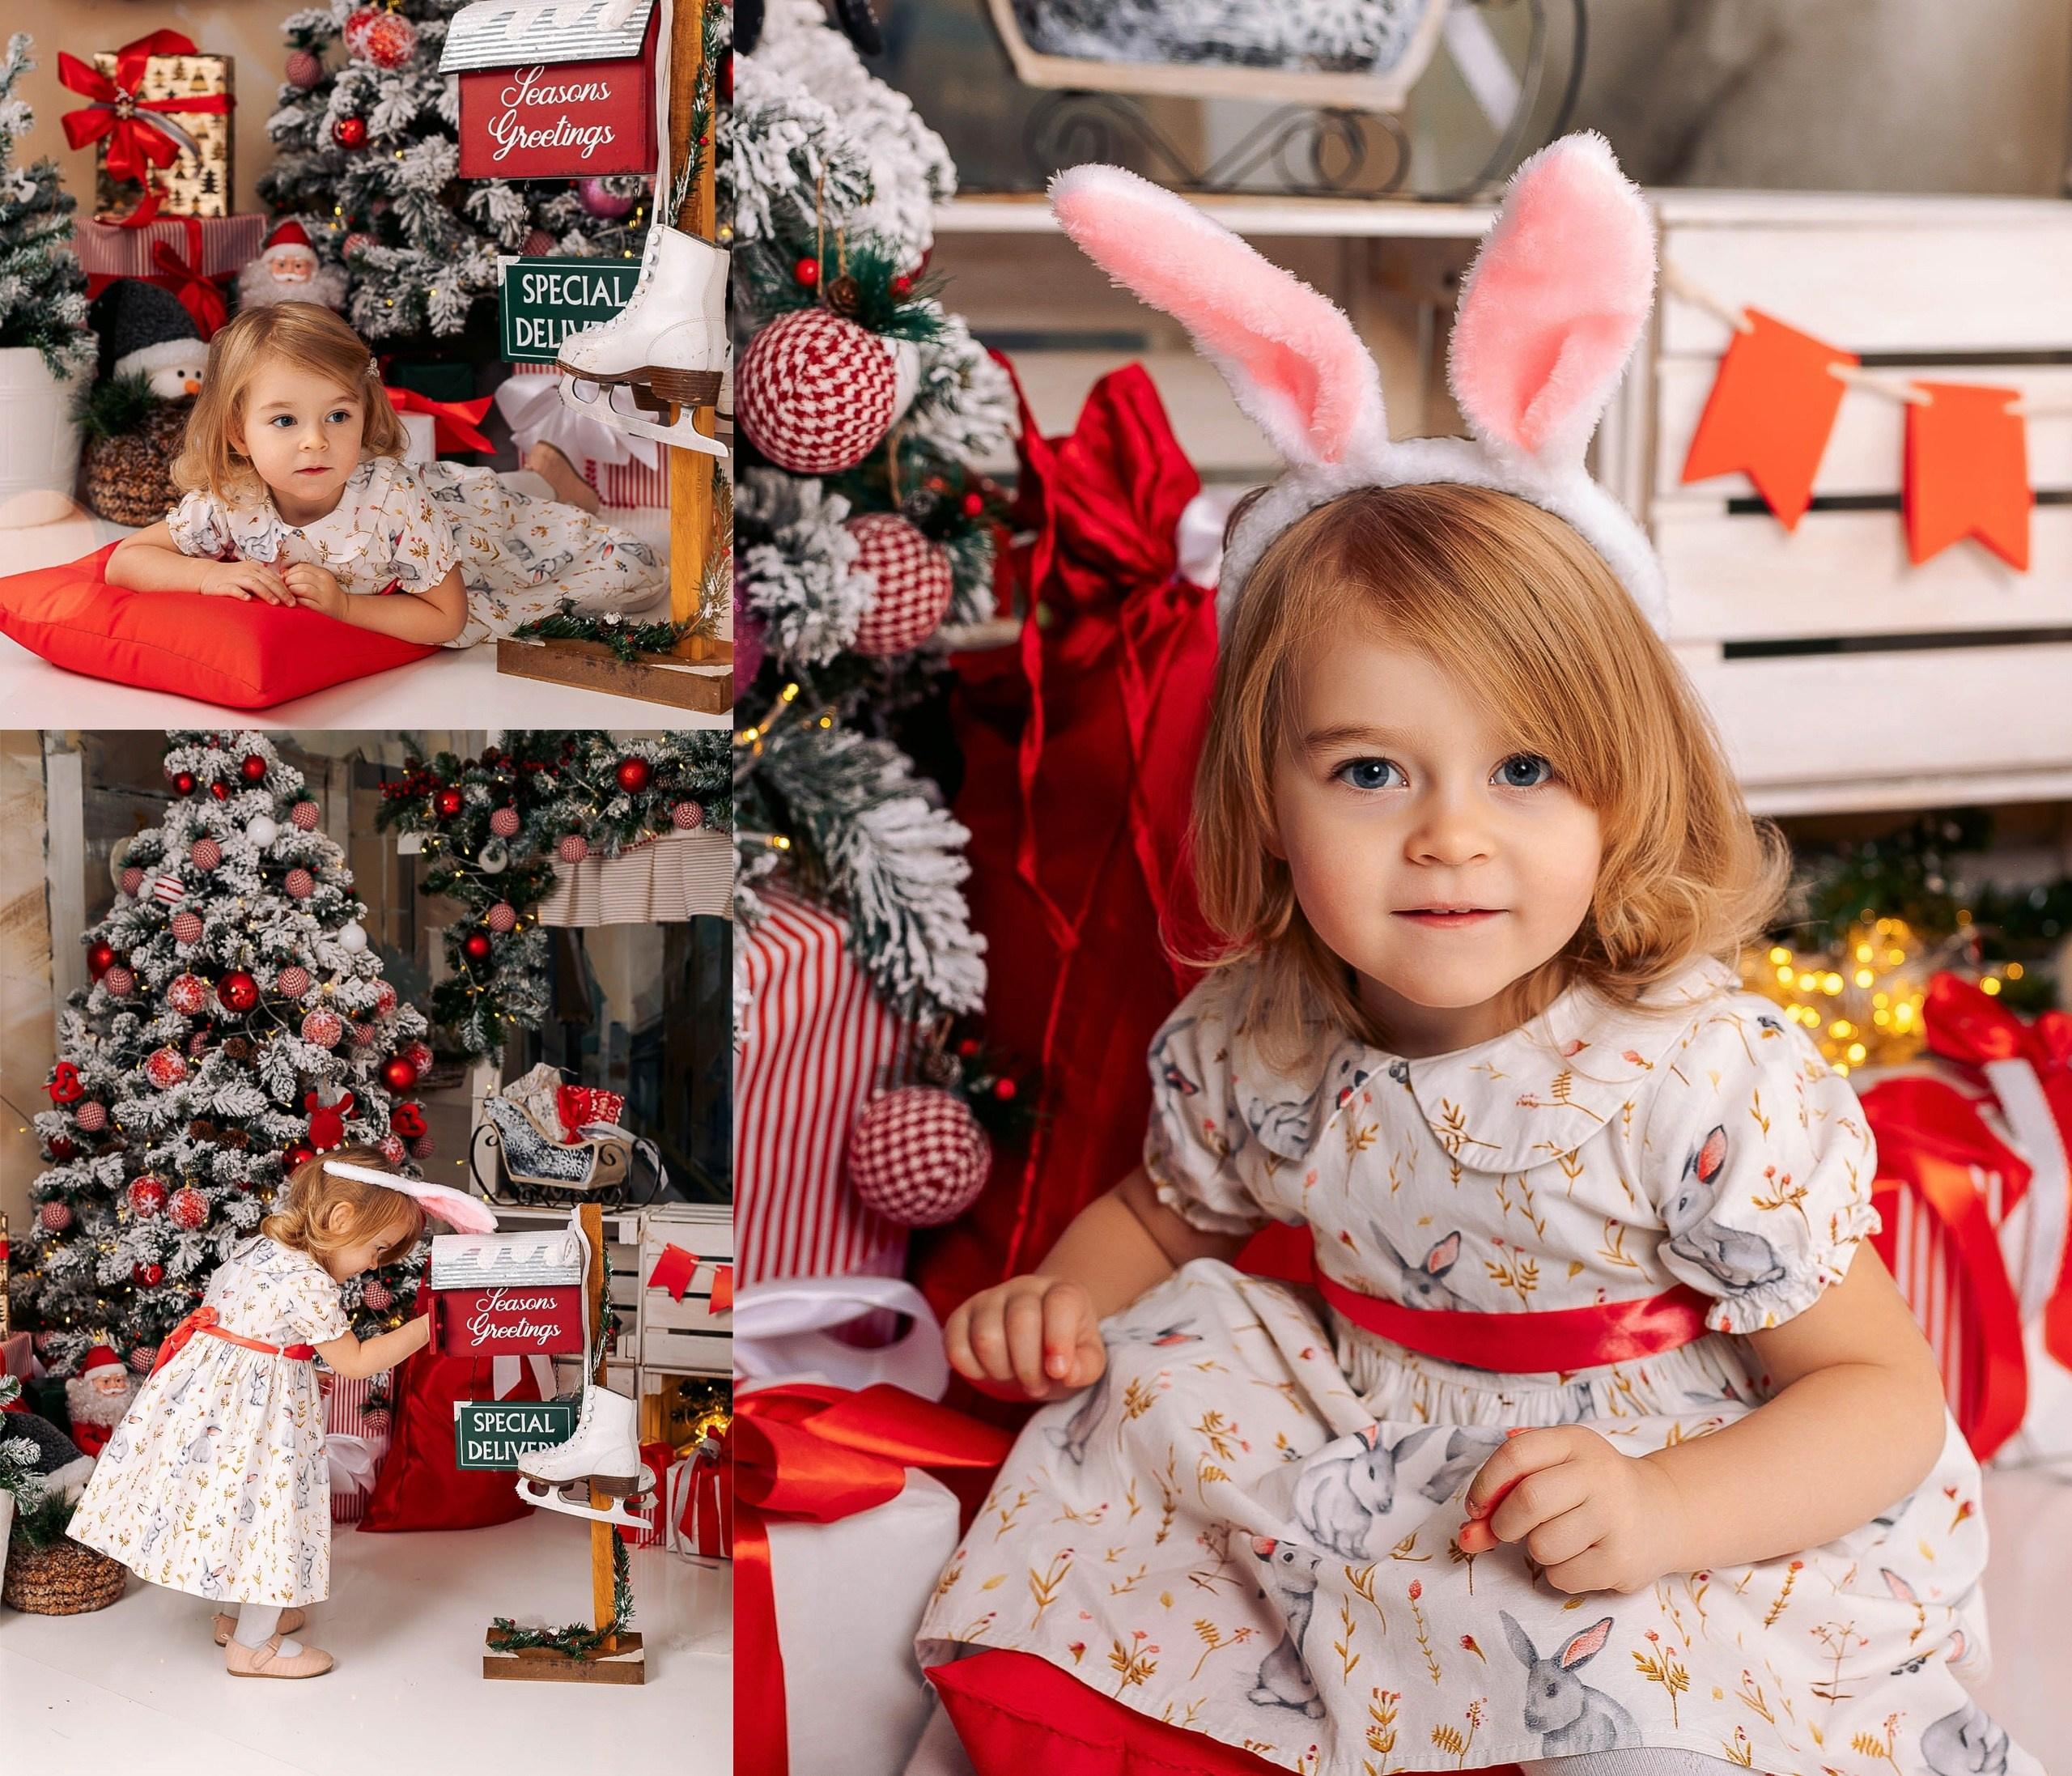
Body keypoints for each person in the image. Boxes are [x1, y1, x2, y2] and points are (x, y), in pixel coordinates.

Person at [916, 138, 2036, 1776]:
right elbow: (1172, 1208)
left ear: (1619, 786)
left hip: (1633, 1477)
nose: (1448, 835)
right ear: (1268, 796)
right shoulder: (1261, 1029)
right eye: (1369, 771)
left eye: (1522, 770)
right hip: (1356, 1428)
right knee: (1122, 1461)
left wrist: (1665, 1505)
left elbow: (1875, 1394)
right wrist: (1063, 1303)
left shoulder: (1686, 1074)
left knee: (1607, 1689)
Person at [66, 1149, 478, 1678]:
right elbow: (357, 1363)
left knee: (239, 1509)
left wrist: (299, 1360)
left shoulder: (259, 1248)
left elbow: (253, 1331)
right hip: (259, 1416)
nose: (375, 1266)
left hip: (219, 1404)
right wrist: (431, 1323)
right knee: (272, 1515)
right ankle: (254, 1646)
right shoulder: (308, 1280)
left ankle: (235, 1615)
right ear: (341, 1220)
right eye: (376, 1250)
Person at [103, 301, 666, 648]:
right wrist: (208, 578)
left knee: (529, 522)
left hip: (463, 519)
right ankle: (543, 469)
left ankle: (548, 475)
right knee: (496, 491)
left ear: (365, 414)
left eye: (338, 416)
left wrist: (348, 609)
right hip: (444, 497)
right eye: (283, 420)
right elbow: (125, 560)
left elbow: (447, 617)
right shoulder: (233, 499)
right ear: (236, 433)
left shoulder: (393, 502)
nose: (315, 440)